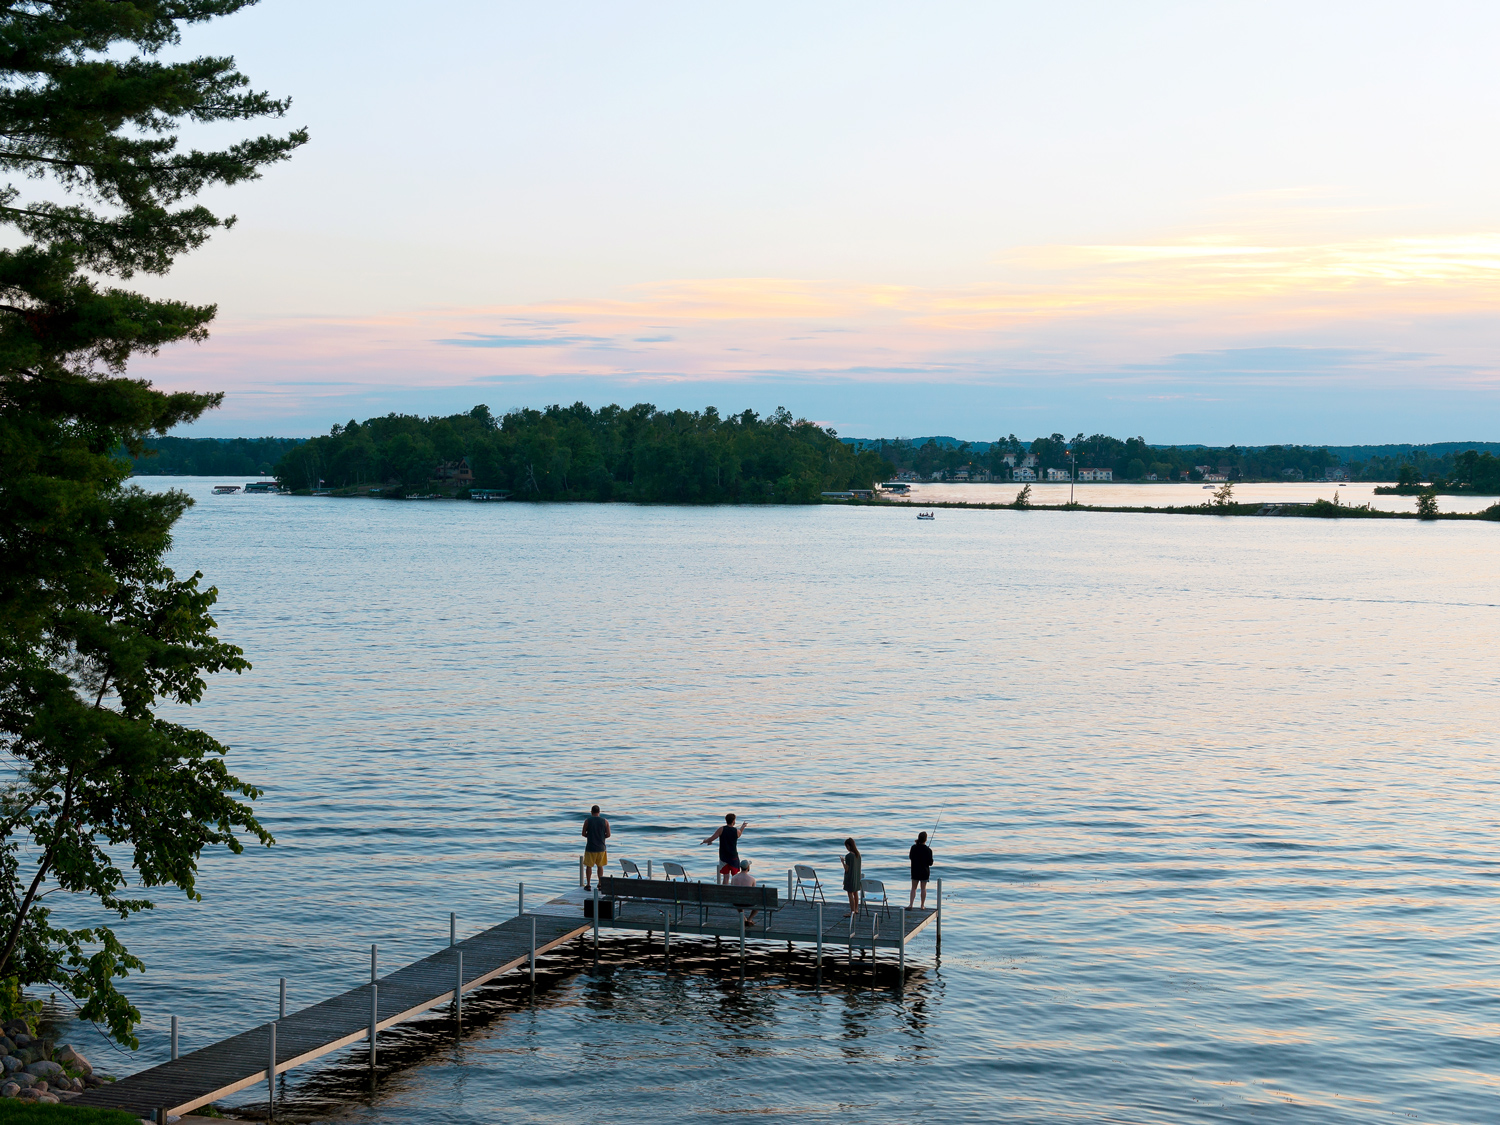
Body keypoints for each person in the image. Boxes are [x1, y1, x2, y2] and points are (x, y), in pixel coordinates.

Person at [701, 813, 749, 884]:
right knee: (735, 877)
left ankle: (724, 892)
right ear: (733, 821)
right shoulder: (736, 831)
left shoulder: (721, 829)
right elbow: (739, 834)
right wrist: (743, 827)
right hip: (733, 857)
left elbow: (712, 838)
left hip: (723, 857)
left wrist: (705, 841)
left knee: (726, 877)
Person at [581, 805, 611, 890]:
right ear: (599, 812)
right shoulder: (605, 821)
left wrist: (590, 836)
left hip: (590, 847)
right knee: (600, 866)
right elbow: (608, 834)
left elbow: (583, 833)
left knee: (589, 866)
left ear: (591, 812)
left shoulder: (587, 821)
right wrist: (601, 837)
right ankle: (600, 884)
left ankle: (588, 884)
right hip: (601, 848)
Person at [728, 857, 760, 926]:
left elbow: (732, 891)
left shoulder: (734, 878)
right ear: (748, 867)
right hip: (748, 902)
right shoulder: (752, 879)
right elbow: (754, 893)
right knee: (759, 903)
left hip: (736, 902)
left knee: (738, 898)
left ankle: (744, 918)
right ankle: (749, 919)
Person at [908, 830, 934, 908]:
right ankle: (922, 905)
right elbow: (930, 863)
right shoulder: (928, 850)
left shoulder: (913, 847)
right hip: (924, 872)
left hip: (915, 871)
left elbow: (910, 857)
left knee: (913, 888)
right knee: (923, 888)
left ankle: (911, 904)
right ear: (925, 839)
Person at [840, 837, 862, 916]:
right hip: (857, 877)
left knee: (850, 894)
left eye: (846, 846)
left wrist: (842, 862)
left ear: (849, 846)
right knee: (855, 893)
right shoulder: (858, 855)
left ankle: (852, 911)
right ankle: (856, 909)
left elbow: (847, 869)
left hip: (850, 877)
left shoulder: (848, 856)